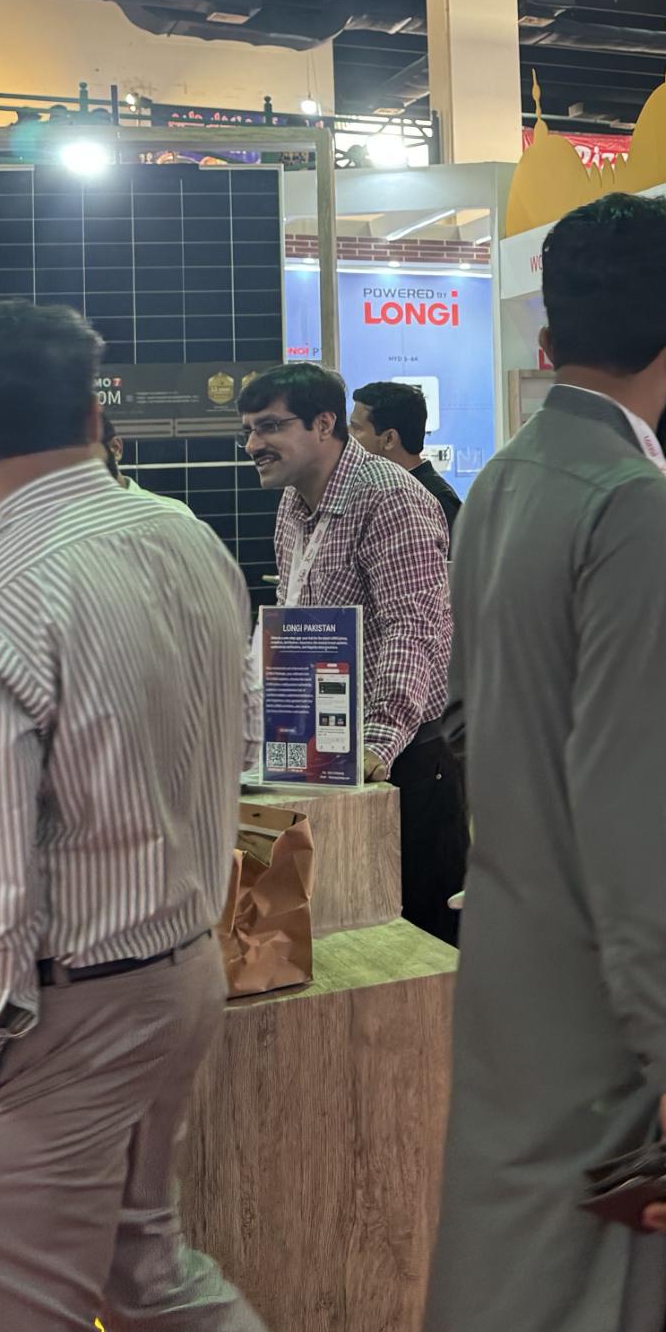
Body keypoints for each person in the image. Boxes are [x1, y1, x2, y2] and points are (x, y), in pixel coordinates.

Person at [425, 193, 666, 1332]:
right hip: (612, 1007)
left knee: (517, 1295)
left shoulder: (502, 481)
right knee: (611, 1311)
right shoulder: (632, 503)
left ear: (550, 333)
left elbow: (493, 722)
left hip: (514, 962)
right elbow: (632, 812)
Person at [0, 301, 279, 1332]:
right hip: (178, 965)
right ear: (97, 416)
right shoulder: (185, 538)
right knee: (141, 1268)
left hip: (67, 1006)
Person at [240, 361, 462, 944]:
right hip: (325, 752)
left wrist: (376, 743)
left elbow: (414, 629)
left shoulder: (391, 498)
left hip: (400, 759)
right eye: (249, 430)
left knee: (416, 943)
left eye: (270, 427)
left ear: (323, 424)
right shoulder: (293, 505)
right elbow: (295, 621)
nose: (253, 445)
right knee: (342, 933)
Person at [352, 379, 461, 529]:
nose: (347, 435)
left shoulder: (437, 501)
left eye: (356, 428)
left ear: (389, 439)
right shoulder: (379, 489)